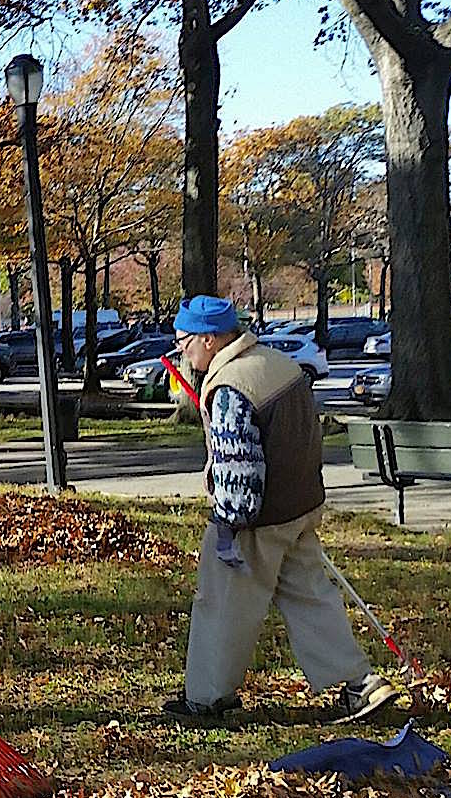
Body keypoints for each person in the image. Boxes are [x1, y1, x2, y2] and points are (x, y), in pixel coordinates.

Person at [161, 295, 400, 722]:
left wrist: (228, 527)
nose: (181, 350)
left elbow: (240, 467)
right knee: (312, 598)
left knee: (222, 603)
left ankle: (207, 699)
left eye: (184, 341)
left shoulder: (232, 386)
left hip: (257, 519)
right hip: (301, 508)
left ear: (210, 339)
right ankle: (361, 684)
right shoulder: (280, 364)